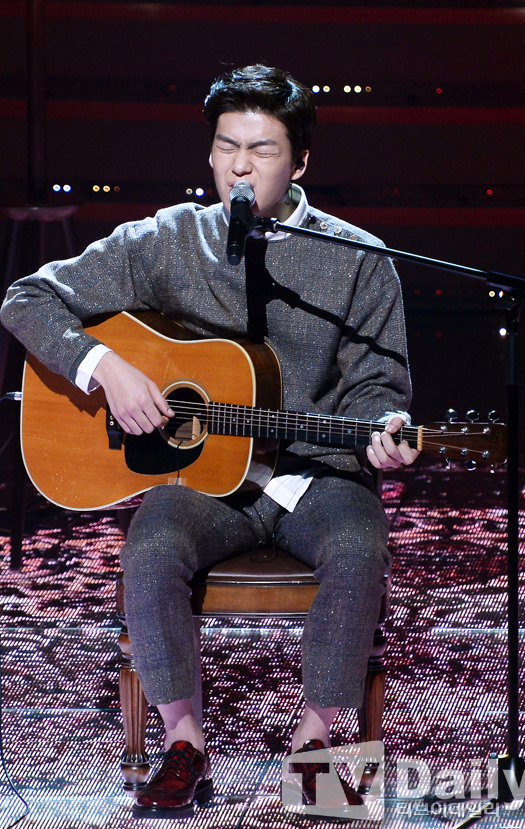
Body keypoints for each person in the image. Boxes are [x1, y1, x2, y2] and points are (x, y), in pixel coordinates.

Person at [1, 64, 419, 818]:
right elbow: (27, 299)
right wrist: (104, 367)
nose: (239, 166)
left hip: (315, 476)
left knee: (359, 544)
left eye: (261, 150)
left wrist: (383, 430)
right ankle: (183, 741)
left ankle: (317, 744)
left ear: (300, 162)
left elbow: (376, 389)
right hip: (205, 482)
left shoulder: (358, 256)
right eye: (227, 147)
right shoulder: (169, 240)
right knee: (152, 544)